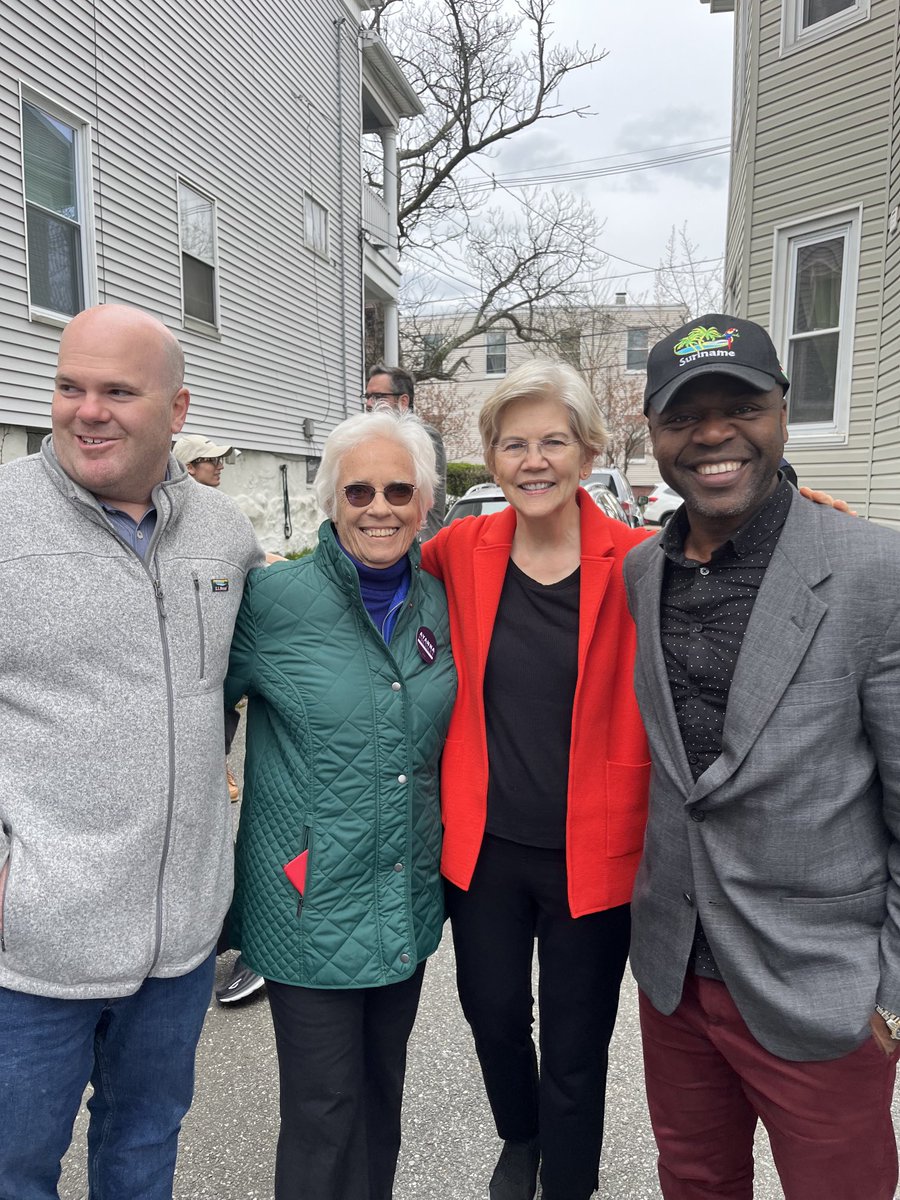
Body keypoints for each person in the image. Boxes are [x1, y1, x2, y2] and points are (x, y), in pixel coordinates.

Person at [624, 313, 900, 1200]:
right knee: (695, 1183)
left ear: (783, 409)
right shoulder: (641, 573)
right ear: (655, 434)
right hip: (677, 975)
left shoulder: (871, 571)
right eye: (683, 415)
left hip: (824, 987)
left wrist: (891, 987)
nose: (712, 434)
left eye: (738, 405)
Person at [0, 304, 263, 1198]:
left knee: (145, 1146)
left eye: (118, 390)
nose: (88, 410)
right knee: (15, 1169)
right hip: (32, 949)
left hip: (179, 941)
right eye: (70, 387)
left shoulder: (225, 534)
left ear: (178, 409)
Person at [420, 360, 650, 1200]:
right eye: (513, 444)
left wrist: (813, 513)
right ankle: (520, 1136)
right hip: (484, 847)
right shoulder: (459, 550)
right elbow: (368, 571)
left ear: (588, 454)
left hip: (594, 849)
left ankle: (570, 1184)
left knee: (578, 1041)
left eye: (554, 440)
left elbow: (735, 567)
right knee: (491, 1017)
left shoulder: (638, 562)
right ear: (490, 458)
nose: (534, 460)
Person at [223, 408, 456, 1200]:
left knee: (380, 1101)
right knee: (324, 1109)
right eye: (359, 490)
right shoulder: (270, 601)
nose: (379, 507)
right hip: (307, 900)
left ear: (427, 503)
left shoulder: (441, 602)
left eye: (399, 489)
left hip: (403, 894)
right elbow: (190, 712)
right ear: (332, 499)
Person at [365, 363, 447, 539]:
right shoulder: (365, 440)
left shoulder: (424, 438)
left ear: (403, 401)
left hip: (416, 545)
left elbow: (430, 505)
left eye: (378, 396)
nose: (369, 403)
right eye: (367, 396)